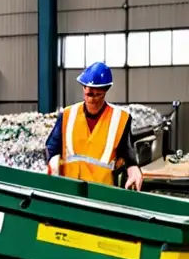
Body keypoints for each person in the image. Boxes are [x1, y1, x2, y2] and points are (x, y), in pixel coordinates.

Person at [45, 62, 144, 191]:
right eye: (89, 94)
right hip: (70, 191)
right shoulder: (68, 115)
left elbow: (127, 151)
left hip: (102, 194)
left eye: (97, 95)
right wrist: (52, 161)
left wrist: (133, 168)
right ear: (83, 88)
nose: (92, 99)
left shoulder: (120, 118)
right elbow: (52, 146)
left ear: (106, 91)